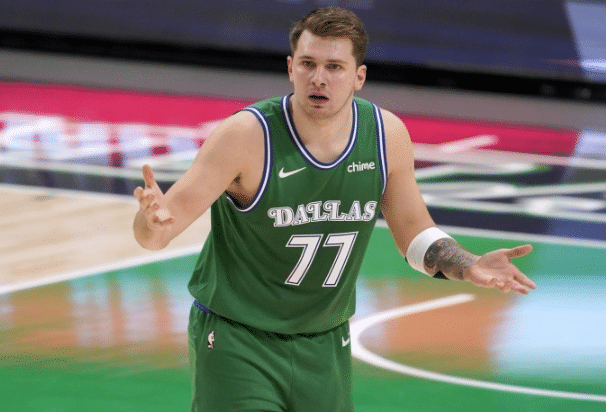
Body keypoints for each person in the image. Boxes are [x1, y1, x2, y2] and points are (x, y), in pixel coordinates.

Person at [133, 6, 537, 411]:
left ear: (359, 76)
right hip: (238, 340)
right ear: (290, 68)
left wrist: (468, 265)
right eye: (307, 64)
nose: (319, 78)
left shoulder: (385, 135)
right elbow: (157, 235)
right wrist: (150, 222)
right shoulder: (246, 136)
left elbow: (414, 233)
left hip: (325, 343)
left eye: (334, 67)